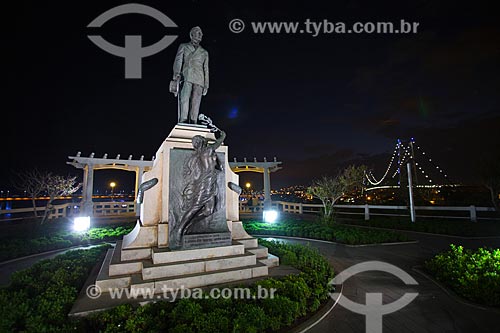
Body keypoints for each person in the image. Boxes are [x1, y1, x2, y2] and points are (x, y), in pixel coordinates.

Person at [176, 129, 226, 241]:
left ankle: (188, 226)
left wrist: (217, 162)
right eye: (203, 140)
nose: (205, 141)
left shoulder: (208, 153)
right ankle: (179, 229)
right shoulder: (206, 151)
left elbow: (218, 168)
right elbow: (218, 143)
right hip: (205, 186)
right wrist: (223, 136)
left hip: (211, 185)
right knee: (194, 208)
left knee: (208, 211)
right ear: (200, 143)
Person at [172, 26, 209, 124]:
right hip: (186, 76)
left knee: (195, 102)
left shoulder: (204, 52)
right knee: (184, 99)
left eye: (201, 33)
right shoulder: (183, 46)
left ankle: (193, 121)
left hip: (199, 79)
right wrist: (176, 75)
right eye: (198, 32)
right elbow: (178, 61)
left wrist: (206, 85)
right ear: (191, 35)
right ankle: (183, 120)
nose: (200, 35)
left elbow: (206, 69)